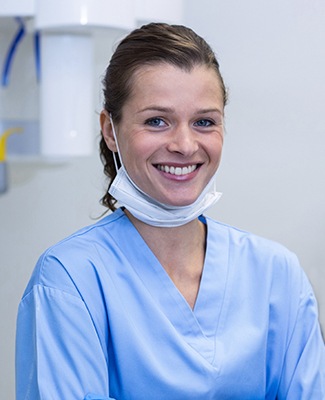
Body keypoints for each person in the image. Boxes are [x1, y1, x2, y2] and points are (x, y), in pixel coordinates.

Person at [16, 22, 324, 400]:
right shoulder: (71, 280)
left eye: (204, 122)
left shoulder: (277, 276)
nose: (184, 144)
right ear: (110, 130)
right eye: (156, 121)